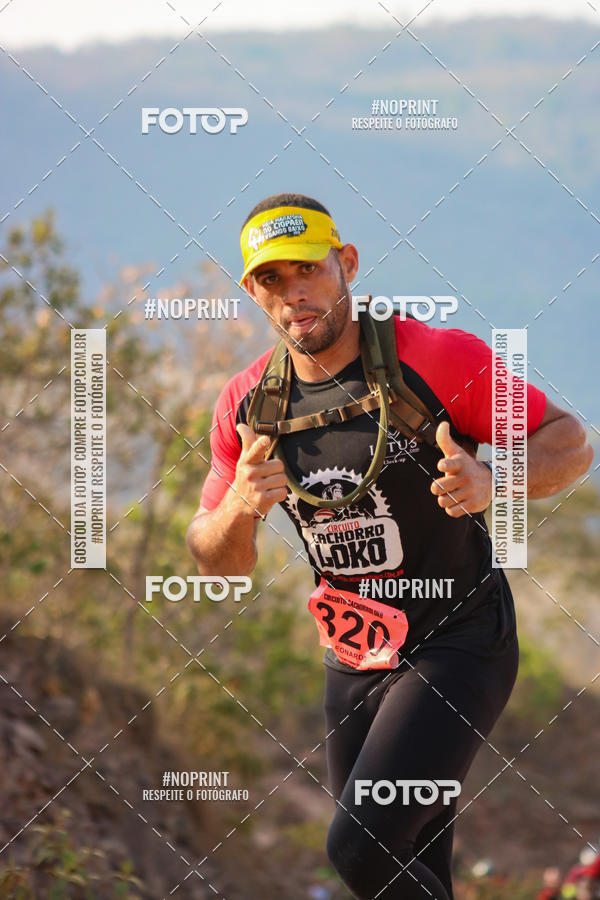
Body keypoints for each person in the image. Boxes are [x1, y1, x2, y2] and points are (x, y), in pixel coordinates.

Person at [186, 193, 593, 899]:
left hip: (458, 640)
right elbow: (215, 556)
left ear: (345, 264)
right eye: (271, 281)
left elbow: (570, 442)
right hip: (353, 657)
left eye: (307, 270)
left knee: (360, 849)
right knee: (403, 871)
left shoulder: (435, 358)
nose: (294, 294)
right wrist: (241, 510)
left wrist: (494, 478)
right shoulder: (249, 404)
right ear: (254, 292)